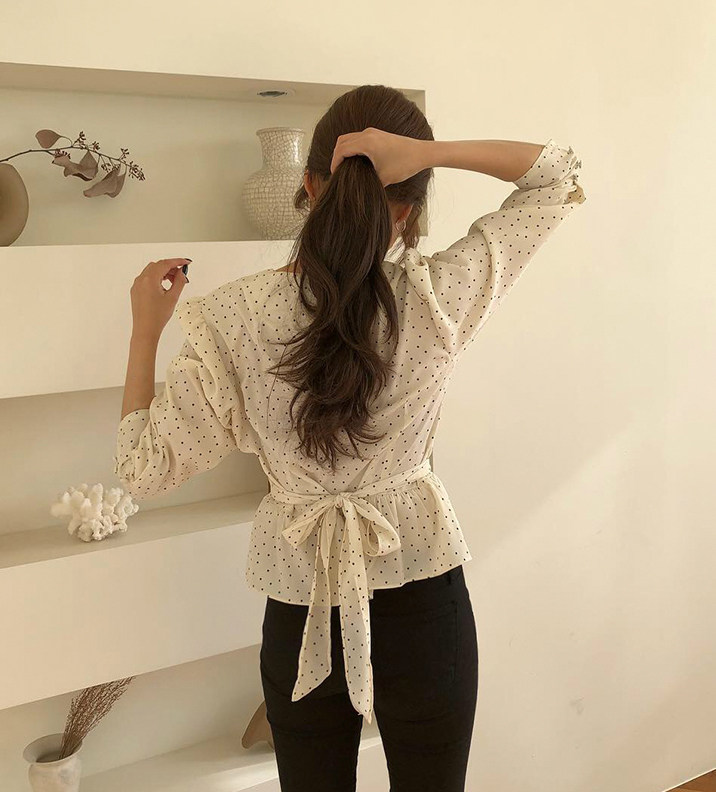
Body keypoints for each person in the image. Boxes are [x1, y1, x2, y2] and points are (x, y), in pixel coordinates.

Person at [113, 84, 586, 792]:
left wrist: (144, 331)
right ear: (412, 210)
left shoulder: (229, 318)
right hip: (421, 588)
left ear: (309, 188)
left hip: (300, 600)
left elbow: (144, 470)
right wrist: (429, 153)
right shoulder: (435, 298)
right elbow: (558, 173)